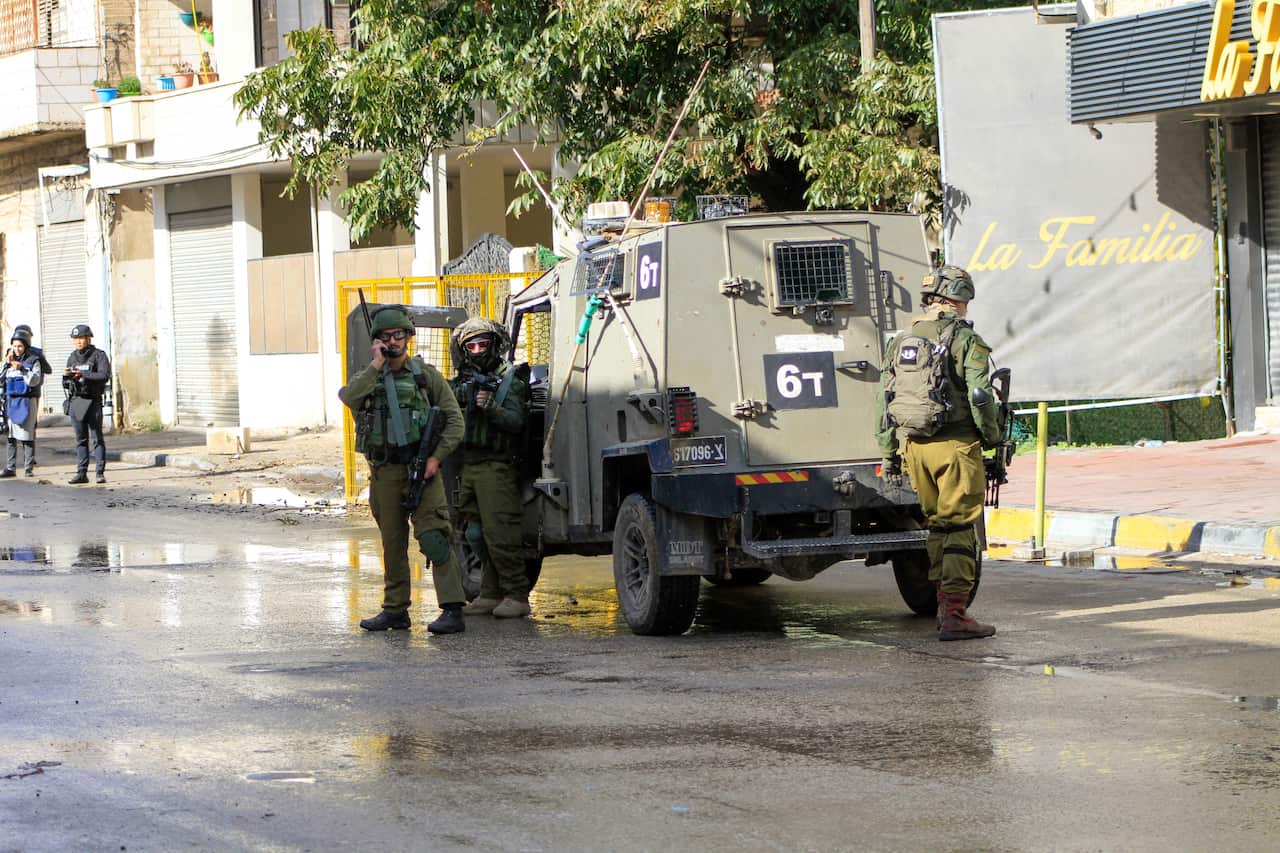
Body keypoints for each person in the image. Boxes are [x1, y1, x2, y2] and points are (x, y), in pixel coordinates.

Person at [877, 265, 1001, 641]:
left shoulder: (901, 341)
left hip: (915, 448)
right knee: (960, 527)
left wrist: (888, 453)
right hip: (955, 447)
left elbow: (884, 400)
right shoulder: (966, 339)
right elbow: (980, 397)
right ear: (958, 298)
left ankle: (942, 603)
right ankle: (954, 613)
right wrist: (991, 436)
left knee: (937, 525)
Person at [339, 305, 468, 635]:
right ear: (377, 341)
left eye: (398, 335)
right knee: (392, 544)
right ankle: (395, 610)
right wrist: (376, 364)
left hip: (422, 470)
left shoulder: (425, 376)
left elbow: (455, 421)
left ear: (409, 337)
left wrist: (436, 458)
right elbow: (348, 396)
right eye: (385, 336)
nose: (393, 341)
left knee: (434, 537)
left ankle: (452, 608)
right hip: (384, 473)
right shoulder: (368, 378)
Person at [449, 318, 533, 619]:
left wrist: (491, 407)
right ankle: (490, 591)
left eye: (482, 344)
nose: (476, 350)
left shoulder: (508, 380)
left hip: (497, 466)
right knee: (473, 533)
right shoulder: (461, 383)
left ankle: (517, 594)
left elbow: (516, 422)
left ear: (494, 345)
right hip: (470, 465)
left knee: (501, 534)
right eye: (470, 345)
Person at [64, 324, 111, 485]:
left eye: (81, 338)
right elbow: (66, 380)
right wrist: (67, 378)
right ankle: (81, 472)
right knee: (80, 439)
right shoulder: (72, 357)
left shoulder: (99, 356)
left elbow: (104, 375)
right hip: (77, 401)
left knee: (97, 437)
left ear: (88, 339)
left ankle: (99, 472)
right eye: (75, 339)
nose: (78, 342)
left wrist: (84, 375)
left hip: (93, 401)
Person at [1, 329, 44, 477]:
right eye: (14, 346)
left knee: (27, 435)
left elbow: (35, 380)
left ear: (25, 346)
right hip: (11, 401)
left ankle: (28, 468)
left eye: (20, 346)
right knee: (11, 436)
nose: (17, 349)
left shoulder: (33, 361)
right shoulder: (9, 361)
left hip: (27, 402)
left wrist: (23, 369)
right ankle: (10, 467)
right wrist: (6, 364)